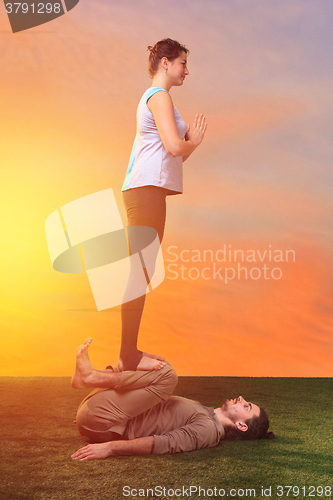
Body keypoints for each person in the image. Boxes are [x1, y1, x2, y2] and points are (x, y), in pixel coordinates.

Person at [119, 38, 207, 373]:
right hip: (145, 191)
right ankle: (128, 356)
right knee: (139, 273)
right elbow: (174, 146)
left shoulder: (161, 100)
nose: (187, 70)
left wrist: (191, 144)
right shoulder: (159, 97)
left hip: (150, 191)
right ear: (166, 63)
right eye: (183, 63)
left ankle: (128, 353)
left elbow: (176, 152)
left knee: (142, 271)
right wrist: (192, 142)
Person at [71, 339, 274, 461]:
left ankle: (91, 377)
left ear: (241, 426)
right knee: (157, 364)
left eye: (246, 406)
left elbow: (162, 443)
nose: (241, 398)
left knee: (167, 375)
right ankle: (97, 376)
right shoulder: (205, 412)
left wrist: (110, 448)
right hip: (101, 412)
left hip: (105, 422)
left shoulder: (208, 430)